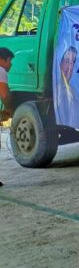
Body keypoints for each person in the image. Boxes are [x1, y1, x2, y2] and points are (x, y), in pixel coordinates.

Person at [55, 46, 79, 130]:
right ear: (60, 64)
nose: (70, 67)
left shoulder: (74, 93)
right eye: (67, 61)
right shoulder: (55, 91)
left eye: (72, 63)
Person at [0, 47, 14, 188]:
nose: (11, 65)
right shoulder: (1, 71)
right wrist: (10, 109)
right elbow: (4, 95)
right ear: (4, 60)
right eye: (10, 61)